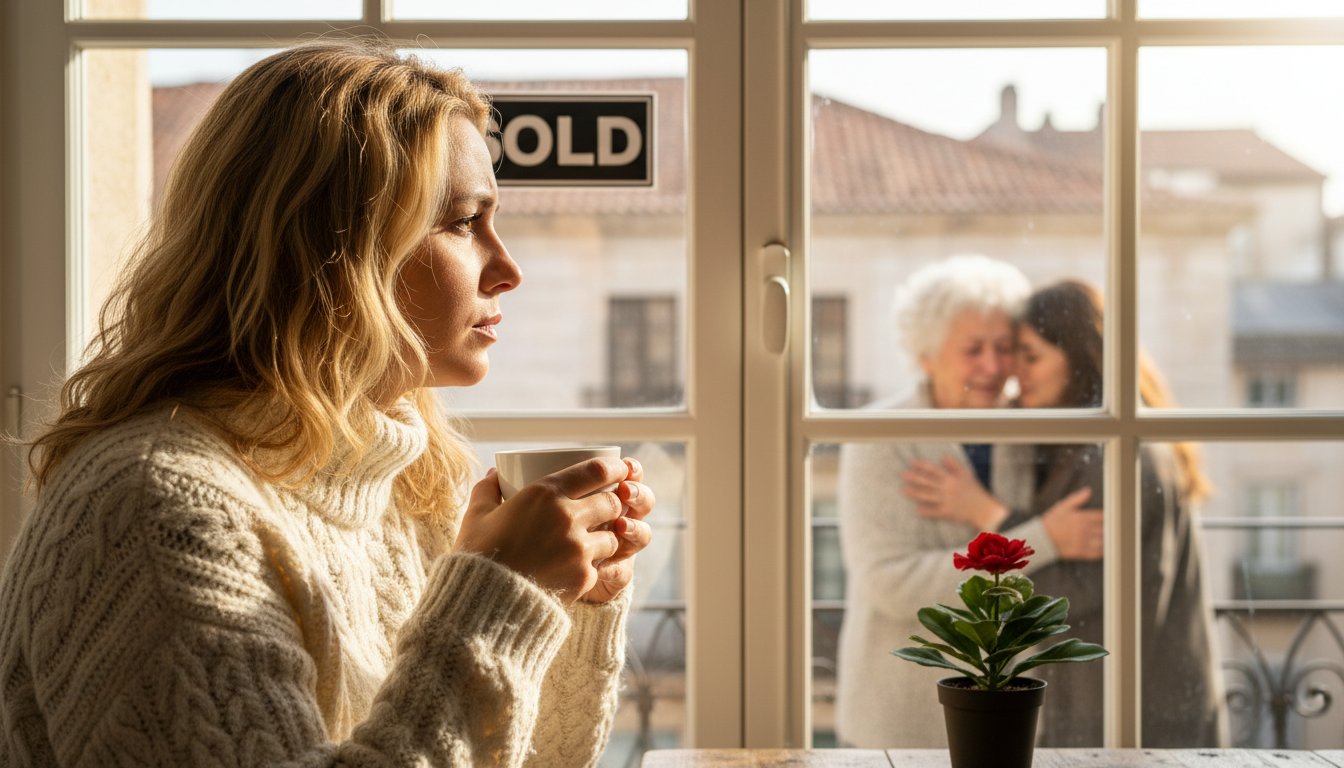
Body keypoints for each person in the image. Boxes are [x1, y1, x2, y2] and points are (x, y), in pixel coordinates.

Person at [0, 39, 655, 768]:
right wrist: (502, 591)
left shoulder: (405, 481)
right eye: (466, 222)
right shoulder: (157, 506)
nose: (508, 270)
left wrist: (567, 603)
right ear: (331, 250)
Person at [905, 279, 1225, 747]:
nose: (1015, 374)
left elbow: (1069, 601)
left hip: (1135, 713)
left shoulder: (1111, 457)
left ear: (1079, 359)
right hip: (1135, 697)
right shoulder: (1095, 444)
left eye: (1030, 357)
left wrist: (987, 511)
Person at [834, 256, 1105, 749]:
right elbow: (890, 582)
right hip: (901, 716)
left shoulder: (1028, 425)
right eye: (973, 349)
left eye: (1004, 348)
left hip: (1011, 708)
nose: (994, 366)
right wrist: (1043, 540)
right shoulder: (878, 437)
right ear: (926, 355)